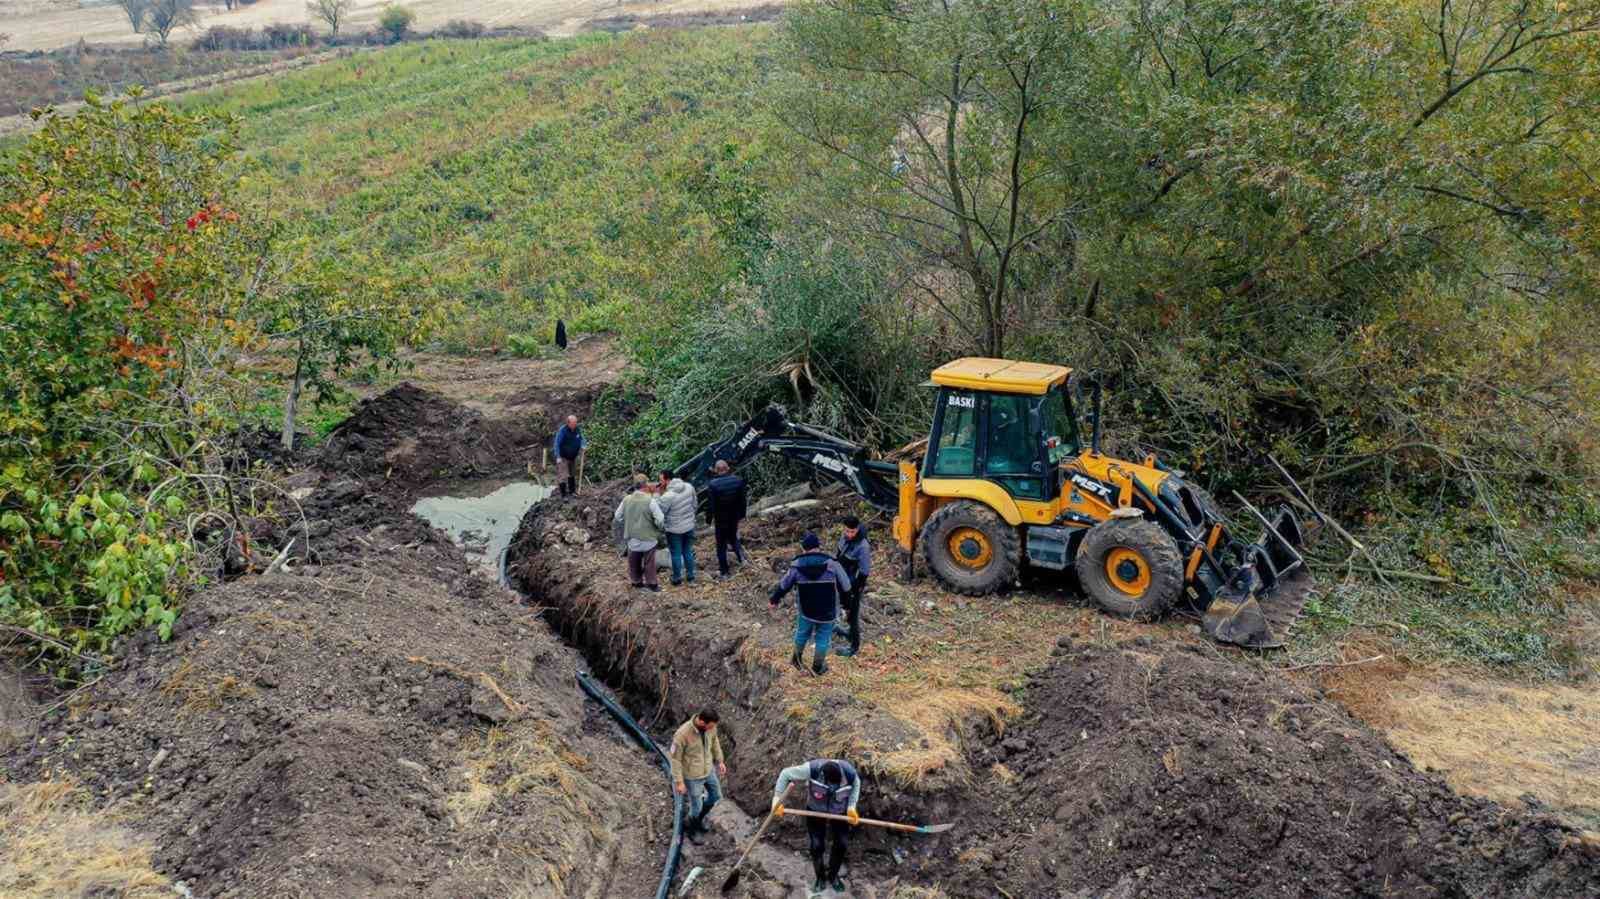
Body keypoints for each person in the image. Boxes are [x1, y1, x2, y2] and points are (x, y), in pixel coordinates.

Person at [771, 758, 861, 895]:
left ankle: (833, 876)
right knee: (816, 845)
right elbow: (785, 774)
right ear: (823, 776)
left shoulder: (849, 773)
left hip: (840, 811)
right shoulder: (812, 769)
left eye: (837, 785)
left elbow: (856, 785)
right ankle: (820, 877)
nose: (833, 788)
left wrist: (851, 806)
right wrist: (777, 798)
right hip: (815, 809)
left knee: (842, 844)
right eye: (830, 784)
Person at [769, 532, 852, 675]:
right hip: (828, 611)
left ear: (803, 548)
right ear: (818, 547)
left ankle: (796, 660)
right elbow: (846, 586)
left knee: (801, 633)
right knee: (823, 638)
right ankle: (817, 667)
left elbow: (784, 585)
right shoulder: (832, 563)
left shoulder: (796, 565)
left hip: (806, 610)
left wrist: (774, 600)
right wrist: (847, 605)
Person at [669, 708, 726, 843]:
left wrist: (720, 761)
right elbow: (675, 759)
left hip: (708, 770)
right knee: (696, 806)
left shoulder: (711, 728)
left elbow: (715, 742)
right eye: (711, 726)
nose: (713, 729)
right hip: (692, 776)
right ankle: (692, 830)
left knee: (716, 796)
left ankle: (697, 819)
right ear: (701, 721)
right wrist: (679, 782)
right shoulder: (682, 734)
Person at [613, 475, 664, 591]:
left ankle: (636, 582)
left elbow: (617, 516)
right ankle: (652, 584)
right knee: (649, 562)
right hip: (649, 538)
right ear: (646, 485)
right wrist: (657, 527)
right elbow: (660, 519)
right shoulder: (650, 500)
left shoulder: (627, 499)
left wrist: (627, 521)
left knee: (634, 561)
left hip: (632, 538)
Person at [833, 515, 872, 657]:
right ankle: (847, 631)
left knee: (853, 614)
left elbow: (864, 572)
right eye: (847, 531)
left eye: (852, 532)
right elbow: (838, 555)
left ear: (857, 530)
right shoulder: (844, 537)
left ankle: (853, 647)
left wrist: (855, 589)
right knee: (844, 606)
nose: (849, 535)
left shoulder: (863, 546)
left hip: (853, 583)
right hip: (841, 579)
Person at [704, 460, 748, 579]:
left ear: (716, 470)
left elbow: (711, 505)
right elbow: (743, 501)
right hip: (734, 517)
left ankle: (725, 572)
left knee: (721, 545)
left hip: (721, 519)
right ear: (727, 468)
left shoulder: (713, 484)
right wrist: (742, 515)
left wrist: (708, 520)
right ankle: (742, 559)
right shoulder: (738, 480)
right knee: (733, 538)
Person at [657, 469, 698, 586]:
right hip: (689, 526)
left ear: (667, 480)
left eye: (661, 480)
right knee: (687, 551)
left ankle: (677, 578)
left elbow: (661, 513)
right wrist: (690, 518)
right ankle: (690, 577)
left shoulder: (667, 496)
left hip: (674, 529)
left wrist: (658, 495)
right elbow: (695, 504)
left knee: (675, 554)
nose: (660, 483)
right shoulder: (689, 487)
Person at [552, 414, 586, 497]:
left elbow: (582, 439)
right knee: (563, 475)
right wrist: (558, 456)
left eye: (576, 422)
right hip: (563, 456)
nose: (575, 424)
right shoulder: (563, 431)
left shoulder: (577, 429)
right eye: (573, 423)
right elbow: (557, 443)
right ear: (568, 423)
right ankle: (563, 495)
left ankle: (572, 492)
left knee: (572, 474)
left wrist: (584, 445)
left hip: (572, 457)